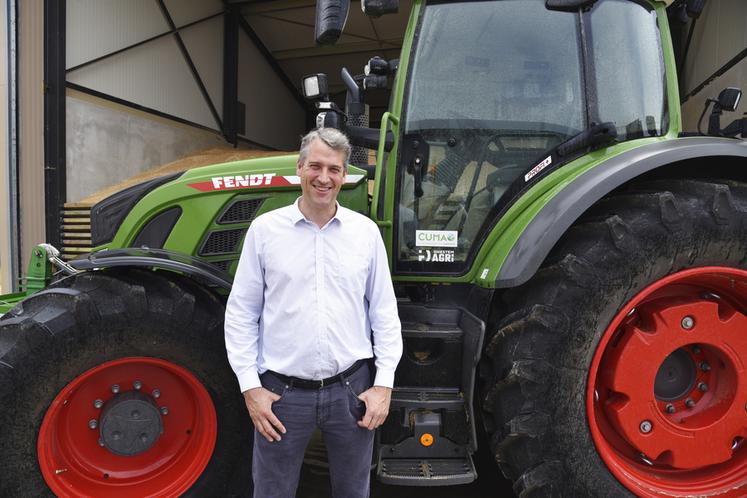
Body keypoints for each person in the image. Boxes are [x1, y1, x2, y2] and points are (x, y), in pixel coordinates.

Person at [224, 127, 402, 498]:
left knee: (353, 491)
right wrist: (250, 387)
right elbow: (242, 312)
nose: (324, 178)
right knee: (273, 491)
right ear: (300, 168)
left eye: (334, 169)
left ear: (345, 175)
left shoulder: (365, 234)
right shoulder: (265, 231)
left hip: (351, 391)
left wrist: (383, 384)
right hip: (281, 395)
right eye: (316, 167)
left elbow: (384, 313)